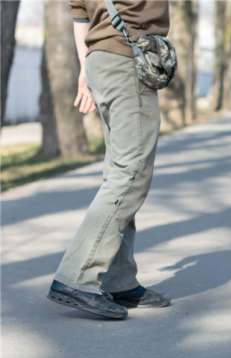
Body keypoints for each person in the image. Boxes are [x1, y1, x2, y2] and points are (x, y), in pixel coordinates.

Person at [47, 0, 171, 320]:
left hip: (101, 61)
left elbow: (80, 16)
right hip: (125, 60)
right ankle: (78, 275)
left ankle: (118, 279)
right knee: (130, 173)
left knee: (119, 171)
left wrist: (84, 70)